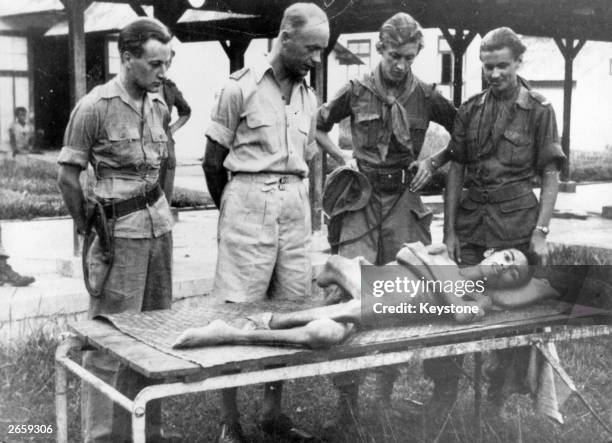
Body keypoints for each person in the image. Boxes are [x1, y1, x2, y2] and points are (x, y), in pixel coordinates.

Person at [315, 12, 456, 433]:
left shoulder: (427, 95)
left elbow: (462, 132)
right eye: (394, 55)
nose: (400, 65)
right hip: (359, 199)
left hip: (403, 201)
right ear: (380, 49)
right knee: (347, 291)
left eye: (409, 58)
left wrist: (434, 160)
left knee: (402, 293)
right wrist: (342, 157)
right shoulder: (356, 90)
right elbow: (319, 125)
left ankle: (384, 394)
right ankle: (348, 403)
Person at [202, 3, 333, 442]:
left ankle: (272, 412)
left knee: (289, 311)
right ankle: (230, 419)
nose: (316, 59)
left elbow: (308, 161)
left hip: (294, 211)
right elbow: (212, 161)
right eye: (312, 49)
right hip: (247, 202)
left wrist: (308, 213)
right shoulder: (239, 87)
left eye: (322, 51)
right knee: (237, 313)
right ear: (286, 36)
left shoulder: (306, 96)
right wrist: (236, 209)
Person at [57, 18, 177, 443]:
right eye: (154, 63)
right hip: (117, 237)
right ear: (126, 58)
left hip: (158, 232)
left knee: (158, 337)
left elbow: (164, 167)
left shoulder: (158, 105)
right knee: (109, 342)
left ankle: (149, 431)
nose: (163, 73)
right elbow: (69, 177)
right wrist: (88, 226)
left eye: (168, 62)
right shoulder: (95, 106)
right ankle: (103, 437)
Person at [444, 27, 565, 412]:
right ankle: (442, 395)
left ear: (518, 63)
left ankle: (497, 395)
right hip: (472, 226)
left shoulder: (539, 109)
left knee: (513, 317)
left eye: (502, 66)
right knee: (454, 308)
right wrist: (448, 231)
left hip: (516, 228)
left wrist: (541, 231)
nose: (494, 74)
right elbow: (456, 169)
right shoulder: (470, 110)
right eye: (487, 67)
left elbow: (550, 173)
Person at [173, 243, 557, 350]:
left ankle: (234, 333)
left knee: (326, 335)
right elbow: (408, 252)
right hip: (380, 285)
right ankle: (332, 278)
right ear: (491, 251)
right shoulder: (447, 256)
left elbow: (532, 294)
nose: (505, 268)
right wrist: (449, 294)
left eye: (513, 273)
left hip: (374, 312)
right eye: (507, 257)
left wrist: (544, 286)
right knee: (379, 296)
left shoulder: (483, 299)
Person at [159, 70, 191, 204]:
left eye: (166, 63)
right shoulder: (139, 87)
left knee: (166, 187)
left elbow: (186, 111)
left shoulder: (169, 87)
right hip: (144, 139)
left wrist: (172, 130)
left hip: (166, 141)